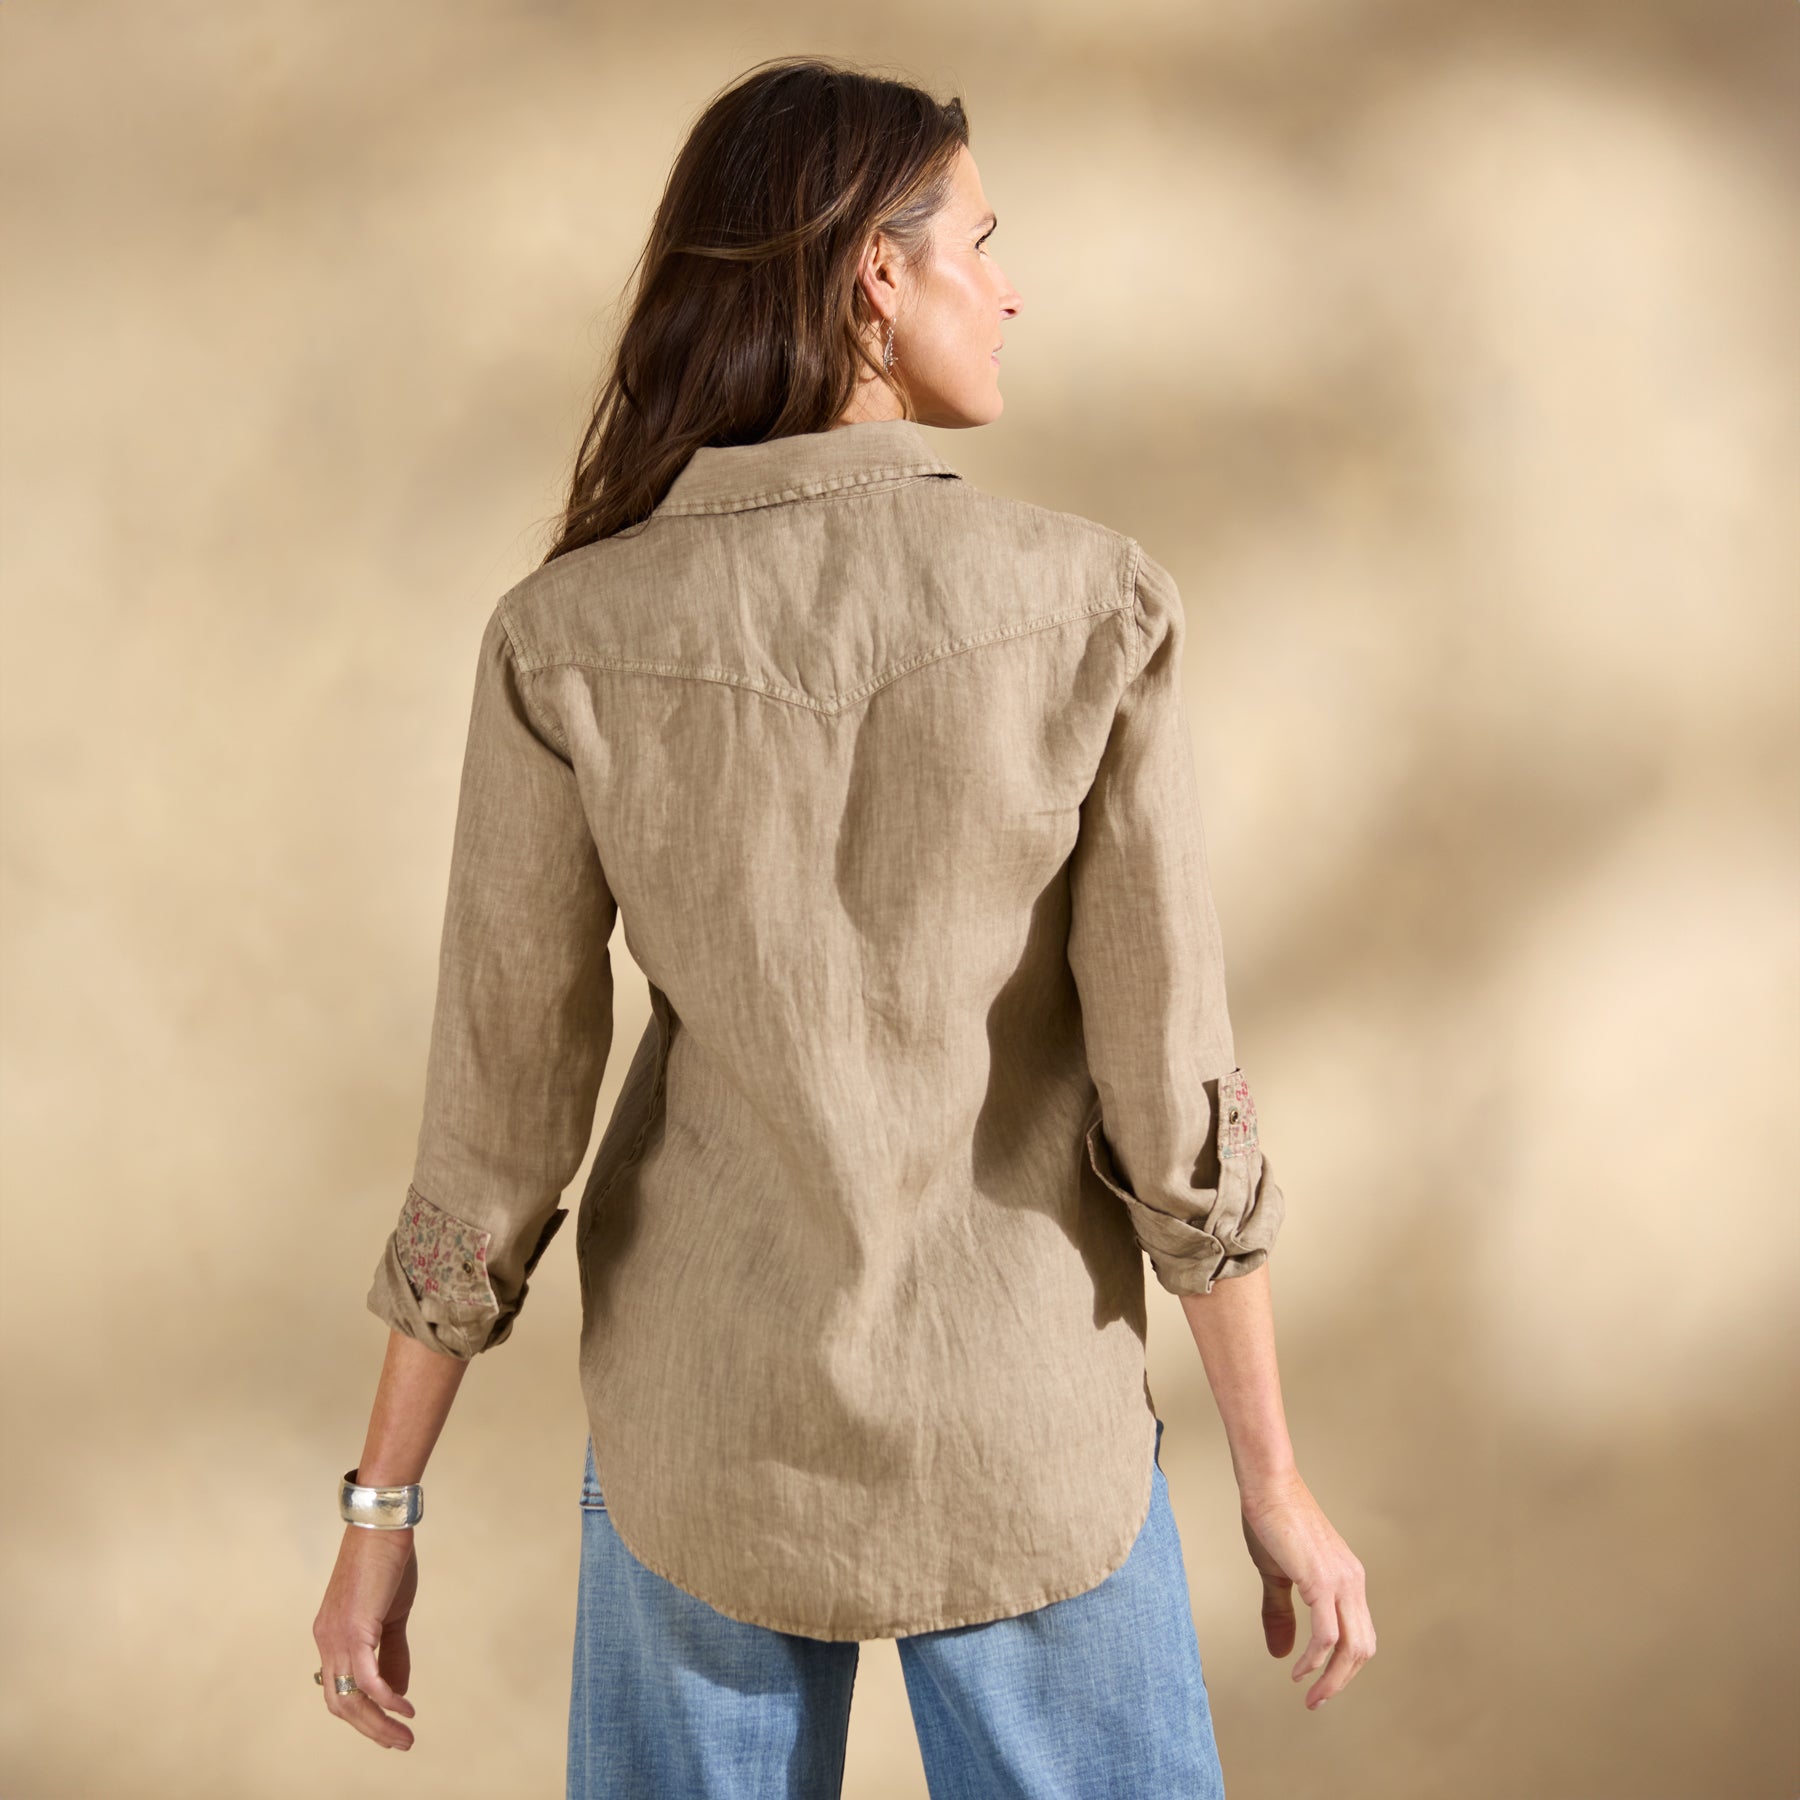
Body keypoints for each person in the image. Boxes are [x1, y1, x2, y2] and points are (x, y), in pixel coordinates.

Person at [312, 54, 1375, 1797]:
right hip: (1030, 1427)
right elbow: (1173, 1095)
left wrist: (382, 1508)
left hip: (703, 1439)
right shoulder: (1095, 606)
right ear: (879, 274)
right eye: (983, 242)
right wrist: (1273, 1479)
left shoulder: (562, 636)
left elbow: (493, 1135)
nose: (1010, 289)